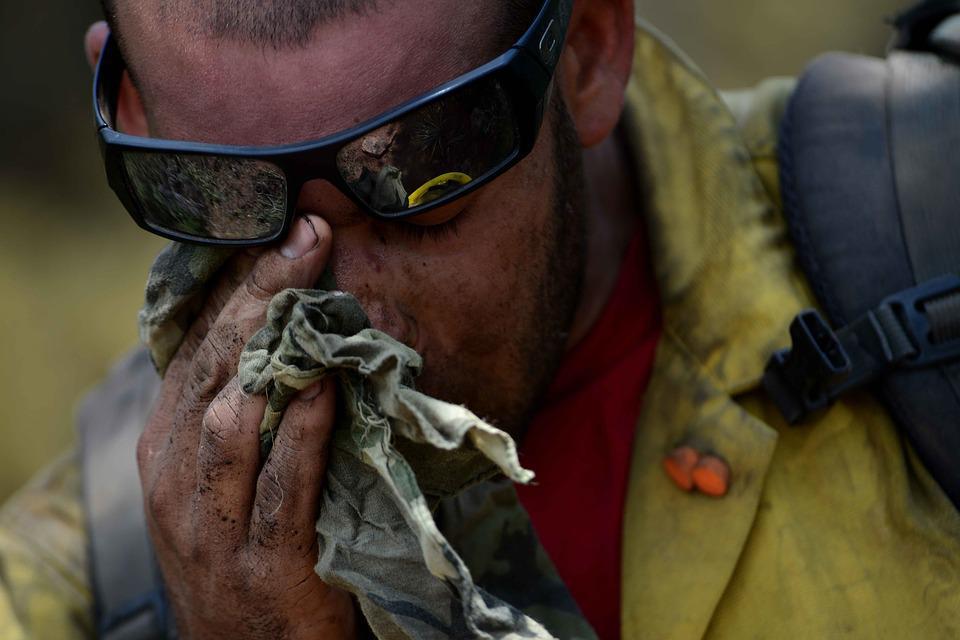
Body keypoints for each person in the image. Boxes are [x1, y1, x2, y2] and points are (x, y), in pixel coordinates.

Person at [1, 1, 958, 638]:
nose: (345, 311)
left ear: (584, 47)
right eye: (227, 194)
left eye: (422, 178)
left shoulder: (929, 241)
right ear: (131, 108)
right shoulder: (82, 582)